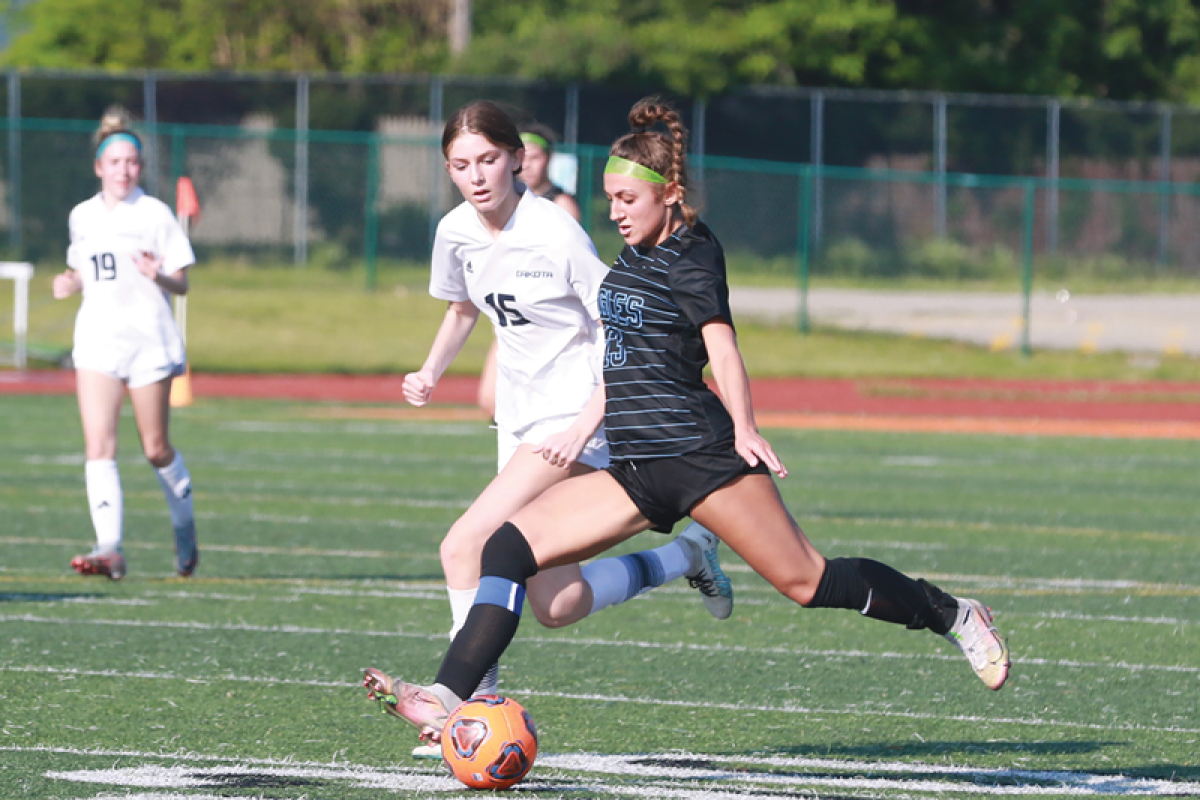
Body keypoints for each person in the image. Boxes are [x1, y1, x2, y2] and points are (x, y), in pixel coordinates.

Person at [361, 97, 1013, 744]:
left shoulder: (694, 255)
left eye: (627, 200)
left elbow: (722, 347)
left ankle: (951, 614)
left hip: (698, 457)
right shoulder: (634, 250)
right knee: (505, 548)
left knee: (808, 581)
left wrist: (745, 427)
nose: (614, 213)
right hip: (635, 468)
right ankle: (449, 696)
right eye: (610, 199)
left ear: (669, 194)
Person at [369, 100, 733, 757]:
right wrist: (429, 370)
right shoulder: (455, 232)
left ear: (516, 159)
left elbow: (617, 322)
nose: (476, 175)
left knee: (465, 545)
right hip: (519, 420)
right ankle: (687, 555)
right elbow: (462, 310)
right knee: (558, 603)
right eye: (461, 164)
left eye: (488, 160)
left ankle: (461, 711)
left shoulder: (555, 231)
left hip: (574, 418)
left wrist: (592, 415)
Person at [51, 106, 199, 581]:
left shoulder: (154, 214)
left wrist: (160, 275)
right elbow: (85, 268)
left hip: (148, 342)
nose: (123, 170)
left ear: (141, 167)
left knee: (155, 448)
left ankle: (184, 526)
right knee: (98, 445)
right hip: (98, 340)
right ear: (99, 167)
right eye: (114, 162)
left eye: (131, 162)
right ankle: (109, 549)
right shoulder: (82, 215)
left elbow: (182, 282)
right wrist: (70, 281)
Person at [476, 122, 581, 419]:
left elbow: (568, 267)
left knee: (547, 406)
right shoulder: (506, 202)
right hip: (510, 313)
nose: (528, 165)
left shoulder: (561, 204)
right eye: (523, 157)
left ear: (548, 159)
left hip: (546, 319)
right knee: (490, 400)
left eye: (536, 157)